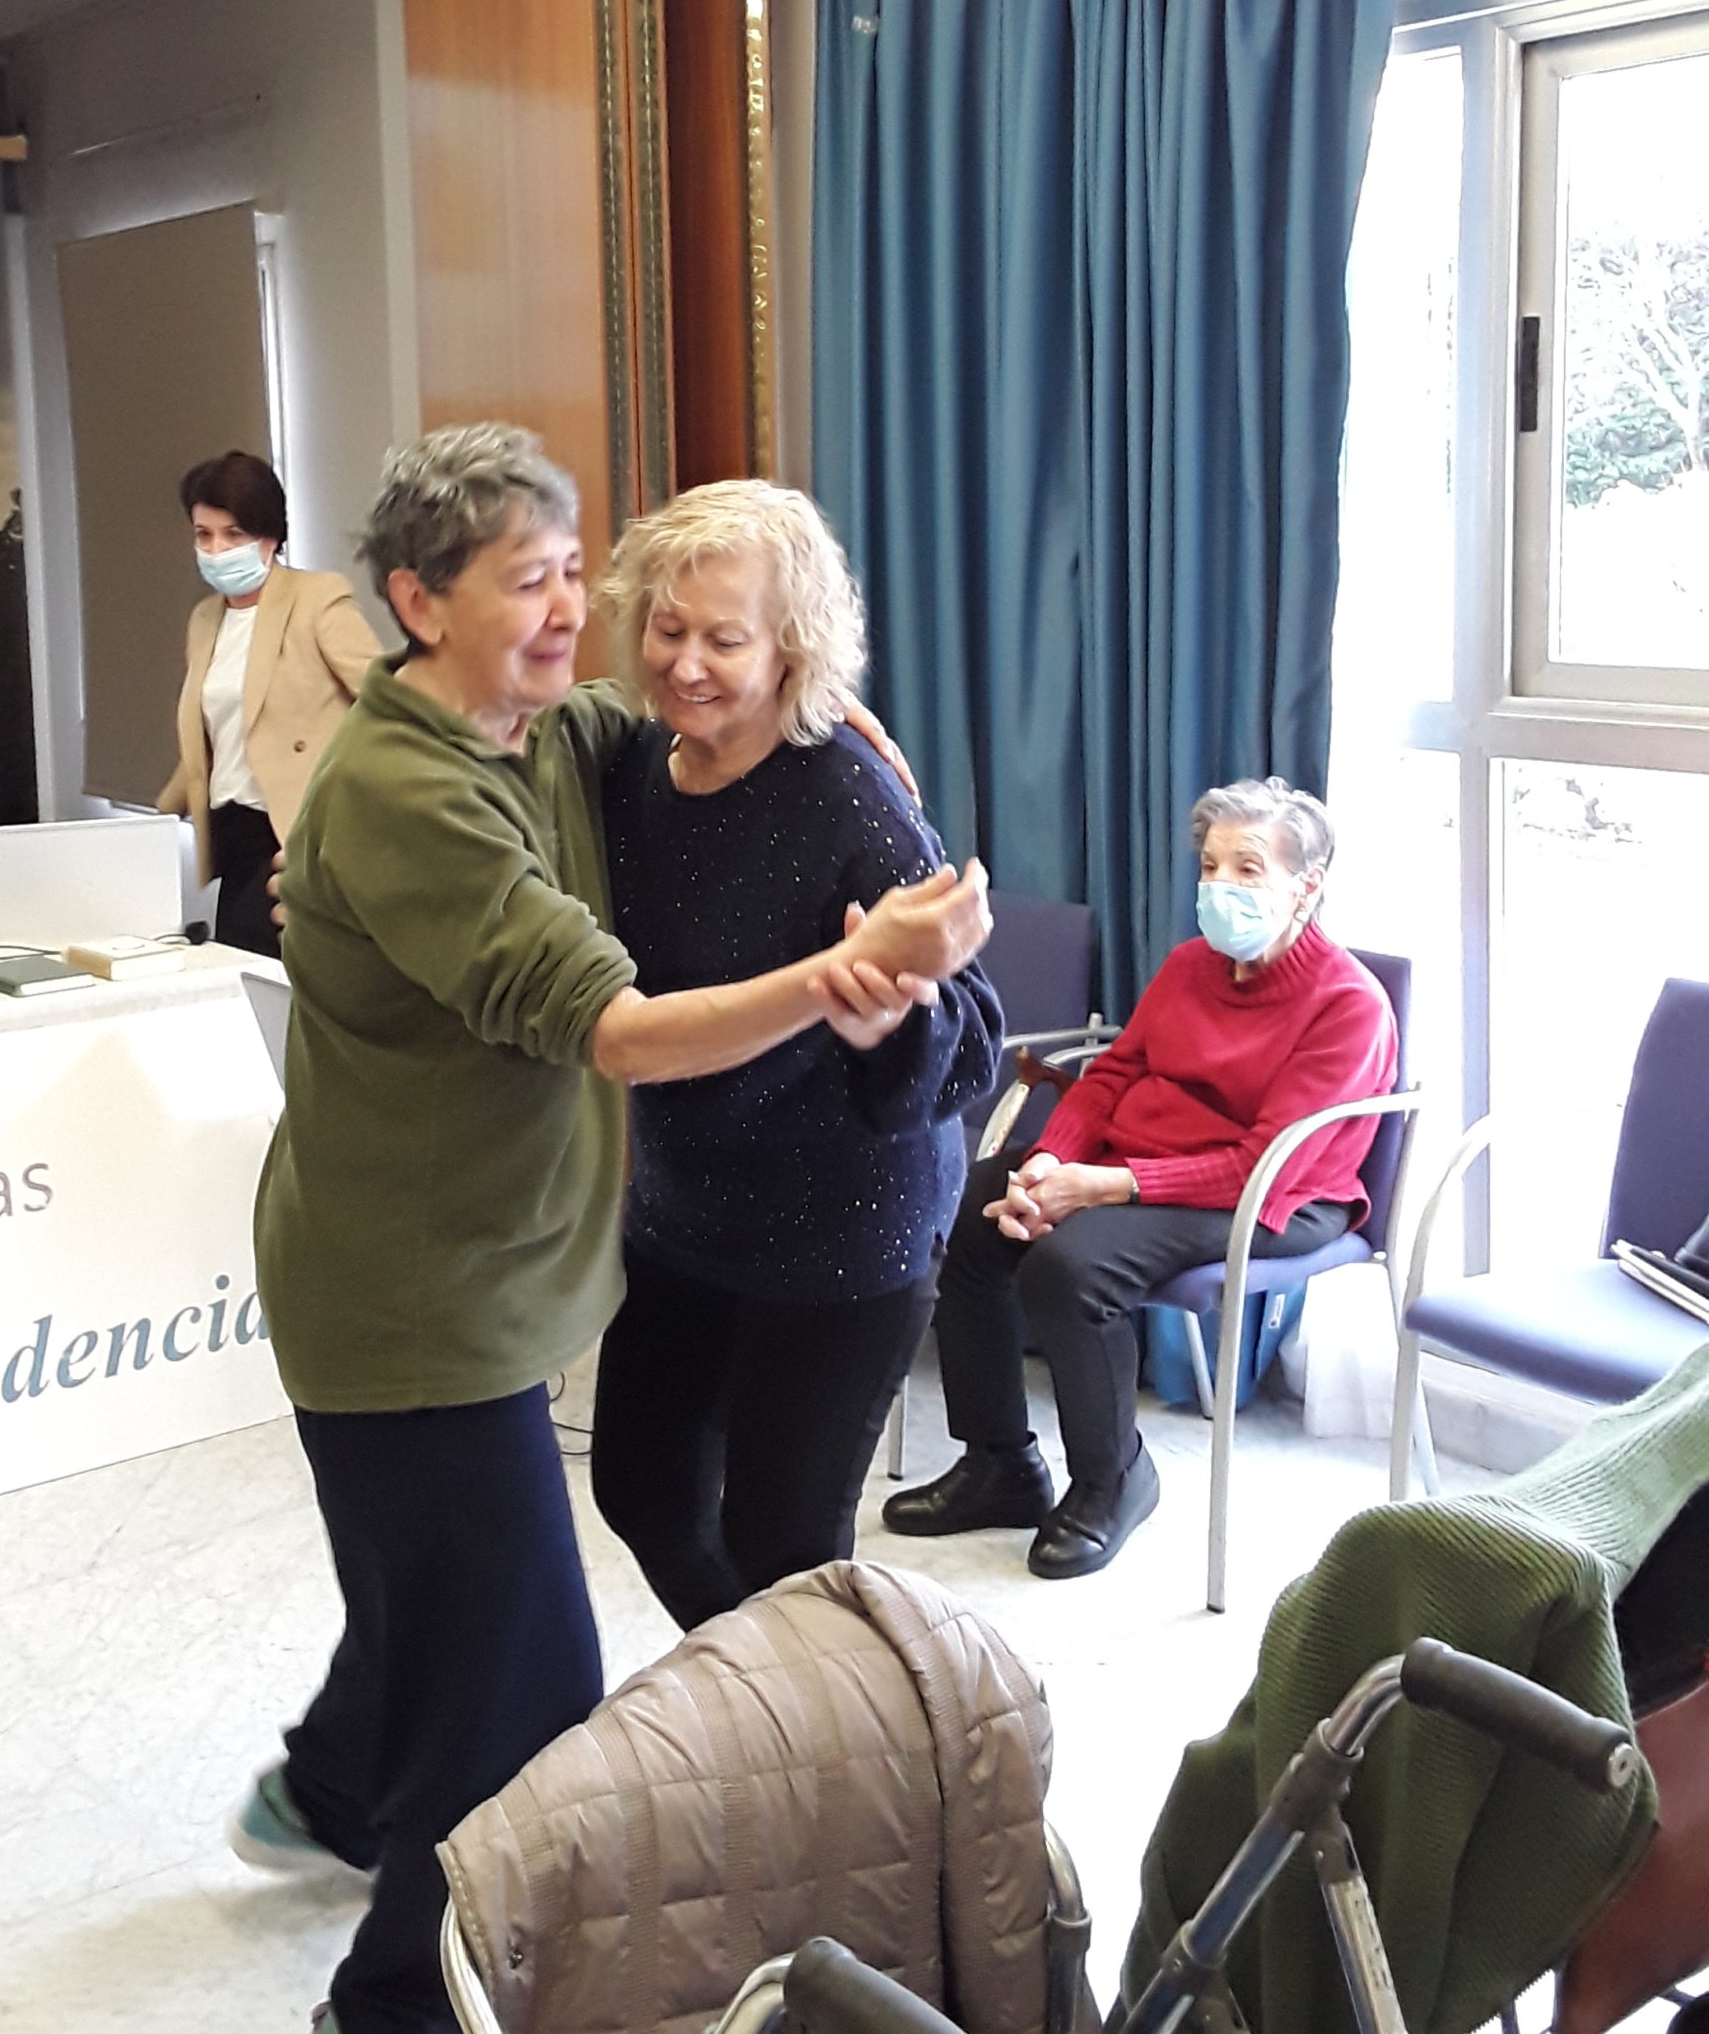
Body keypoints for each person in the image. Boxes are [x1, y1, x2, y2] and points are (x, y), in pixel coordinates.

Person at [234, 425, 991, 2034]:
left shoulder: (593, 740)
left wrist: (824, 730)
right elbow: (623, 1027)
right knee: (526, 1661)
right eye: (544, 584)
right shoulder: (485, 778)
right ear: (418, 604)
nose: (614, 629)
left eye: (588, 575)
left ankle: (375, 1787)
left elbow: (965, 1041)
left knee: (510, 1603)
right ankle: (406, 1981)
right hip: (445, 1296)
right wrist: (840, 982)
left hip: (798, 1240)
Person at [589, 481, 1004, 1632]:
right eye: (668, 631)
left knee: (786, 1551)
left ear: (792, 646)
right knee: (640, 1487)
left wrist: (892, 1021)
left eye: (726, 638)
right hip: (686, 1212)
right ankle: (774, 1710)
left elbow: (975, 1040)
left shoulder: (849, 800)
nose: (687, 665)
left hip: (841, 1235)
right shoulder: (628, 772)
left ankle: (820, 1752)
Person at [883, 777, 1396, 1581]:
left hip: (1276, 1196)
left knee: (1072, 1266)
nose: (1221, 885)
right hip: (1131, 1163)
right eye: (1212, 865)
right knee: (976, 1210)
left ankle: (1114, 1479)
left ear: (1308, 886)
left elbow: (1263, 1161)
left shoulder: (1349, 1006)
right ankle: (1001, 1464)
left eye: (1249, 869)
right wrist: (1051, 1160)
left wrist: (1099, 1187)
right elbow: (1113, 1075)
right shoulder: (1192, 966)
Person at [156, 450, 380, 955]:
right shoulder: (205, 619)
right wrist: (157, 817)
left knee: (278, 985)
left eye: (233, 534)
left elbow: (387, 702)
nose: (216, 549)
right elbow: (215, 737)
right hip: (233, 832)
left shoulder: (317, 598)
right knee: (241, 979)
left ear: (270, 535)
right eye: (203, 535)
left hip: (296, 833)